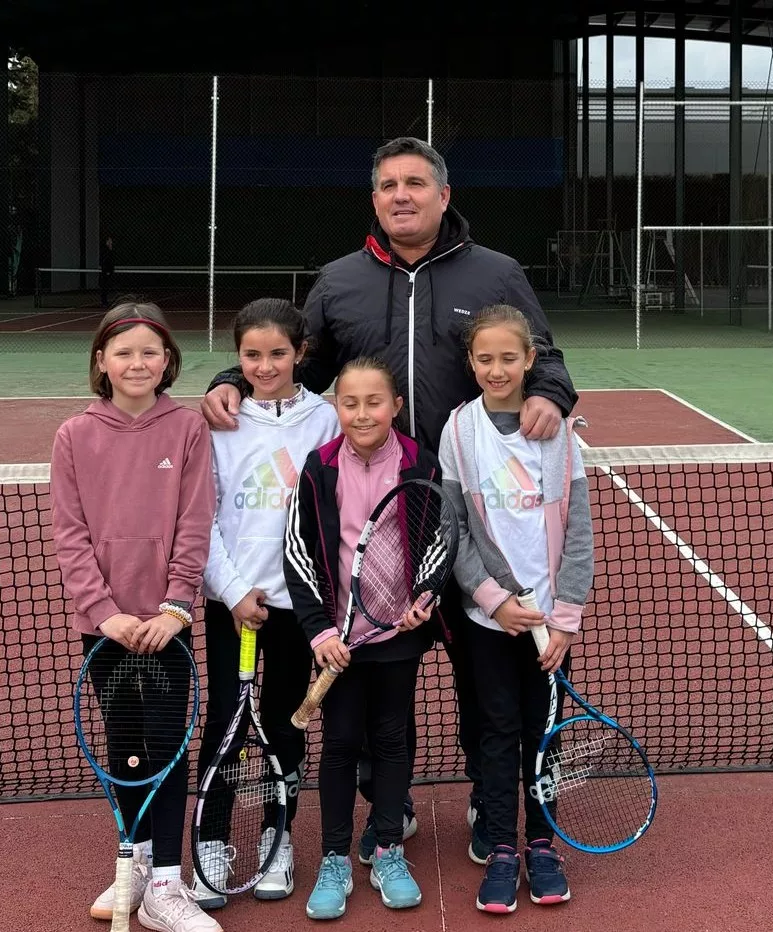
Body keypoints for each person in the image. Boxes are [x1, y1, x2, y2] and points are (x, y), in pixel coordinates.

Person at [199, 136, 579, 860]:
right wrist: (232, 377)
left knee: (489, 677)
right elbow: (293, 359)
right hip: (361, 521)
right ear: (373, 198)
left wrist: (553, 397)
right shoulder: (340, 281)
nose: (400, 195)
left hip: (468, 517)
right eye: (386, 186)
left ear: (443, 193)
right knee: (371, 677)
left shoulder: (497, 272)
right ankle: (387, 803)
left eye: (414, 183)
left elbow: (545, 356)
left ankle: (494, 805)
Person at [49, 302, 221, 932]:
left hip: (166, 627)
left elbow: (195, 521)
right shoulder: (73, 434)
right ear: (101, 361)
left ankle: (170, 885)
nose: (137, 362)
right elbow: (70, 534)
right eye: (123, 352)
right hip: (108, 632)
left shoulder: (187, 430)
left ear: (168, 361)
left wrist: (177, 607)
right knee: (124, 746)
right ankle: (136, 865)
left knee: (168, 748)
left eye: (151, 351)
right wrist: (104, 613)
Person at [438, 304, 592, 913]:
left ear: (531, 359)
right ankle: (503, 846)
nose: (496, 369)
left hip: (551, 629)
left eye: (509, 357)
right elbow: (453, 532)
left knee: (544, 736)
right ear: (470, 362)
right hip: (488, 624)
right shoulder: (458, 432)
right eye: (484, 359)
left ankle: (543, 843)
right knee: (498, 734)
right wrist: (495, 601)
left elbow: (577, 532)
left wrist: (564, 620)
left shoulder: (559, 436)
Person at [191, 298, 340, 910]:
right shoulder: (220, 423)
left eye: (278, 353)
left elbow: (333, 515)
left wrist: (308, 599)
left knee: (284, 725)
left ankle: (277, 841)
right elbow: (202, 519)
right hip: (234, 604)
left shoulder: (326, 422)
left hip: (297, 611)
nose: (265, 365)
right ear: (237, 358)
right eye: (251, 355)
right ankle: (212, 842)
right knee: (225, 725)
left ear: (301, 352)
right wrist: (231, 592)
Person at [281, 357, 442, 920]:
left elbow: (435, 539)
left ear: (396, 406)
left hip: (396, 634)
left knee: (392, 738)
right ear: (336, 407)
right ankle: (333, 857)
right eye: (349, 403)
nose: (362, 412)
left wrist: (425, 596)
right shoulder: (319, 465)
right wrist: (321, 630)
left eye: (375, 402)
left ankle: (388, 846)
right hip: (339, 640)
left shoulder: (420, 460)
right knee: (342, 744)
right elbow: (298, 551)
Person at [100, 235, 116, 308]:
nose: (111, 242)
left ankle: (106, 301)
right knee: (104, 287)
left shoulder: (111, 250)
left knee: (108, 287)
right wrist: (106, 271)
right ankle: (104, 302)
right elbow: (105, 262)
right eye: (109, 241)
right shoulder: (105, 251)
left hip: (109, 271)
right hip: (106, 272)